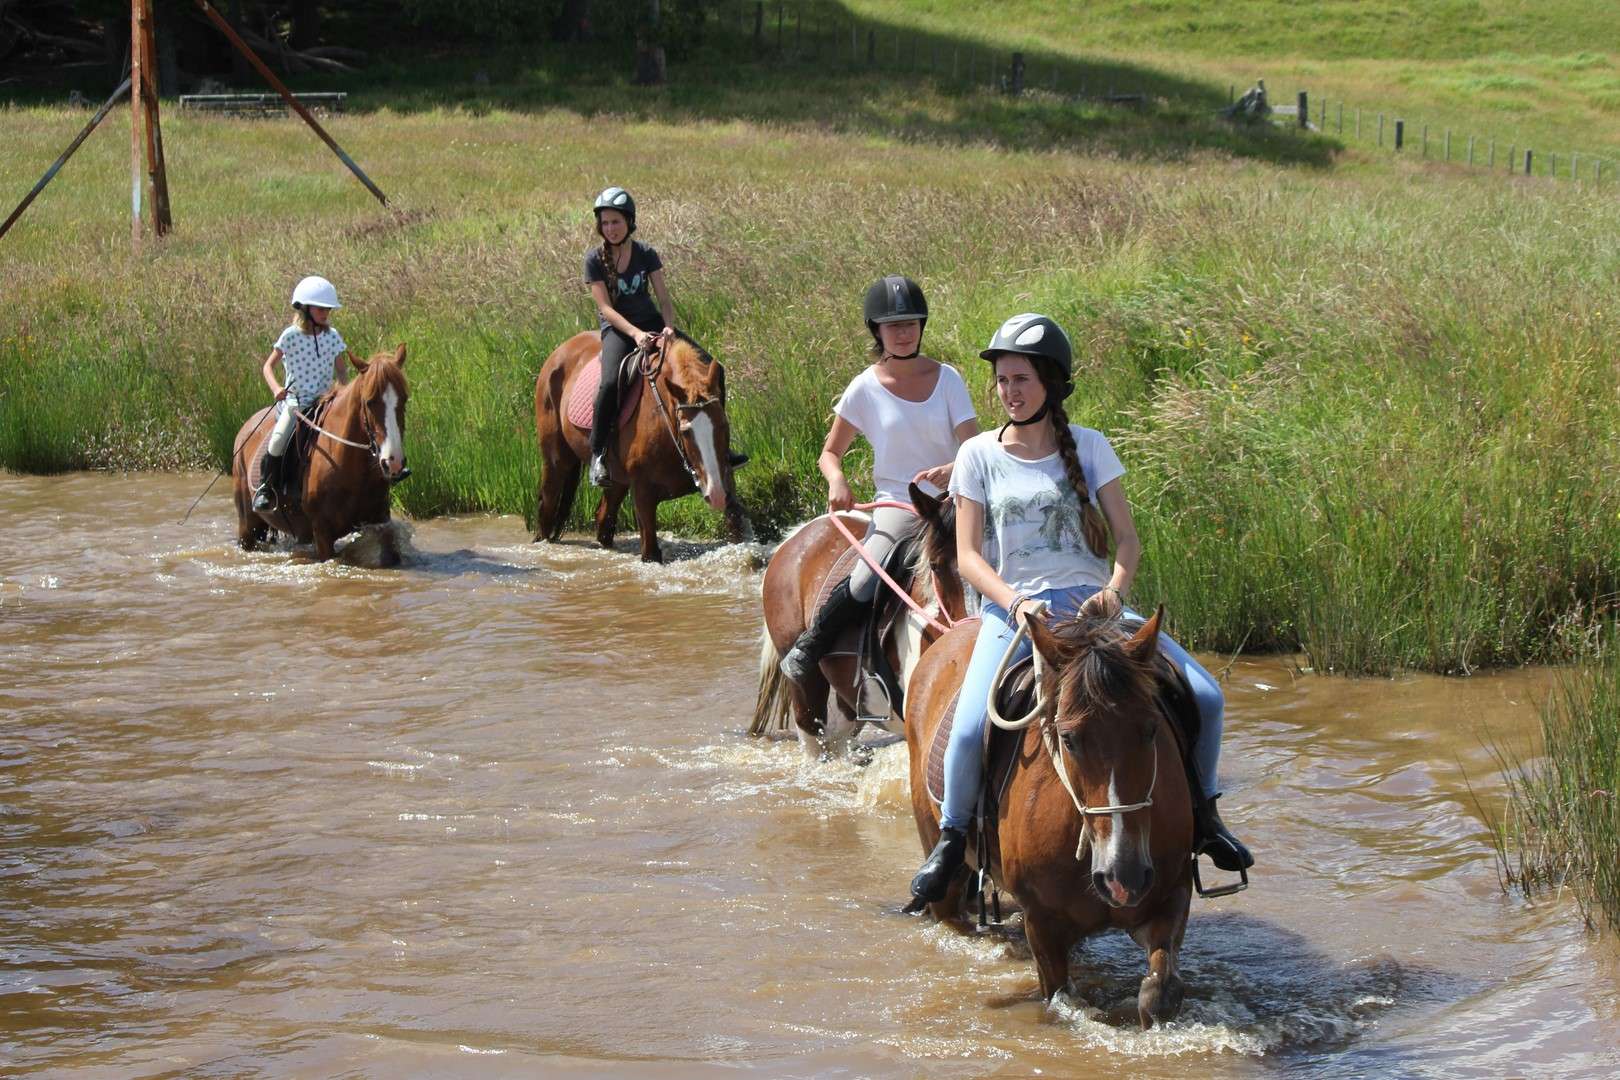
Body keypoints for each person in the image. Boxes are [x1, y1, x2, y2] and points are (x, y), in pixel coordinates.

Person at [910, 313, 1252, 904]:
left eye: (1021, 379)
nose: (1009, 391)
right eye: (1002, 380)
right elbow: (966, 556)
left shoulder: (1091, 446)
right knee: (967, 731)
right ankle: (952, 838)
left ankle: (1206, 817)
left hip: (1096, 611)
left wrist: (1116, 590)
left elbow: (1128, 541)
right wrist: (1013, 601)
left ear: (1051, 383)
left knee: (1207, 696)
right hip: (1014, 613)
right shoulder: (976, 456)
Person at [778, 275, 979, 682]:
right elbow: (829, 453)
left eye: (910, 324)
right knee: (867, 577)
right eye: (893, 326)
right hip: (899, 506)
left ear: (922, 326)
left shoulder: (948, 380)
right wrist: (837, 480)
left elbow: (974, 448)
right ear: (877, 331)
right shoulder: (863, 389)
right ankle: (812, 644)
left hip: (954, 502)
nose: (903, 334)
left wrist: (956, 468)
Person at [583, 185, 677, 487]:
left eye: (616, 222)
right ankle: (598, 455)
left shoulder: (646, 254)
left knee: (708, 365)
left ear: (629, 222)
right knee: (609, 382)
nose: (610, 229)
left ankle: (720, 446)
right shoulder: (594, 260)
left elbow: (664, 299)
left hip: (651, 322)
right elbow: (605, 309)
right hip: (619, 330)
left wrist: (669, 326)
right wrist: (636, 334)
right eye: (605, 223)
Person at [252, 275, 356, 512]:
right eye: (321, 308)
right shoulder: (290, 335)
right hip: (295, 402)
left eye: (328, 309)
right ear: (305, 308)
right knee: (278, 439)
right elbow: (268, 366)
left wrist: (343, 391)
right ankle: (266, 489)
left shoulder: (333, 336)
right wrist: (277, 388)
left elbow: (341, 368)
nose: (326, 313)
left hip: (325, 401)